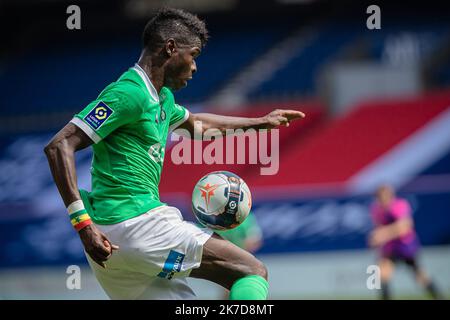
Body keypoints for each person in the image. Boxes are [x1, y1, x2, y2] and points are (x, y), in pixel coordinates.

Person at [44, 8, 305, 300]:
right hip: (135, 223)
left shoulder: (162, 97)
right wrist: (81, 224)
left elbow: (198, 125)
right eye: (193, 55)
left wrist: (260, 122)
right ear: (170, 48)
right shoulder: (129, 93)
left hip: (111, 243)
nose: (194, 67)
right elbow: (59, 145)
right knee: (251, 271)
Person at [368, 185, 443, 300]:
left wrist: (383, 234)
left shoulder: (399, 205)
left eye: (385, 196)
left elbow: (405, 226)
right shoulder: (376, 210)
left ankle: (438, 297)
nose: (383, 199)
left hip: (406, 247)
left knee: (420, 277)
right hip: (390, 248)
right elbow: (378, 228)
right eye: (380, 197)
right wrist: (376, 240)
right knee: (382, 275)